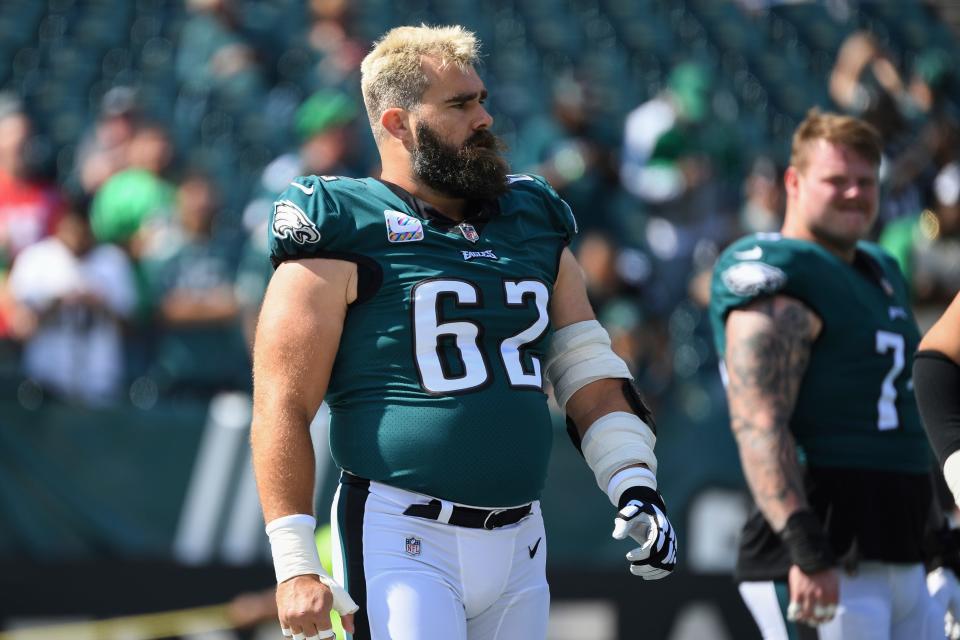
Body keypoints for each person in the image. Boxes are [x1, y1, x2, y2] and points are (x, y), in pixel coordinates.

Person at [250, 24, 677, 640]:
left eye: (480, 97)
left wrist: (635, 482)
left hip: (521, 539)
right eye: (459, 104)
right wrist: (294, 564)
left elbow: (586, 364)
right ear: (398, 123)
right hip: (402, 533)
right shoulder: (343, 222)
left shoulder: (528, 215)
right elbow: (282, 402)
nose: (484, 117)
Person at [709, 109, 941, 639]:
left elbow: (903, 412)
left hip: (899, 538)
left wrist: (939, 533)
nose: (856, 194)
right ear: (794, 182)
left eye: (865, 181)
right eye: (837, 180)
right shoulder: (776, 267)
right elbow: (759, 421)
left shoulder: (882, 270)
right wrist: (805, 544)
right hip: (825, 543)